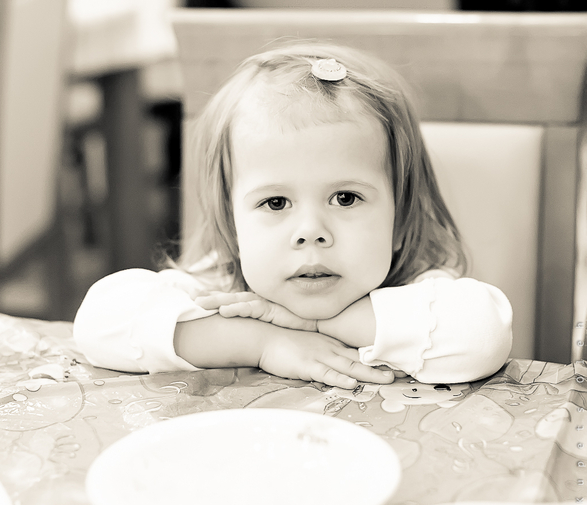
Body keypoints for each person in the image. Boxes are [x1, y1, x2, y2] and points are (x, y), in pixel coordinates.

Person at [73, 42, 513, 387]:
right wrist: (264, 341)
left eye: (345, 198)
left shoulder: (417, 290)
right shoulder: (223, 288)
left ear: (400, 220)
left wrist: (318, 323)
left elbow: (483, 335)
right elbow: (99, 322)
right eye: (276, 203)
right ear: (233, 226)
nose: (311, 232)